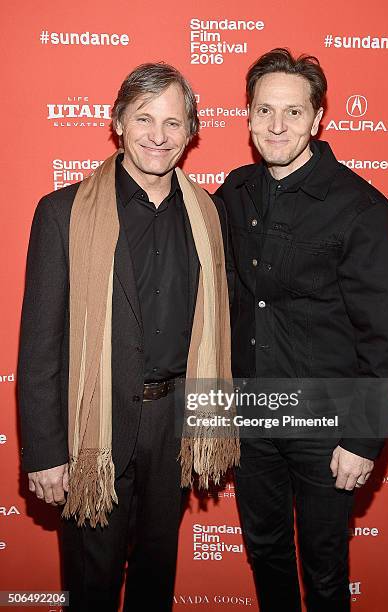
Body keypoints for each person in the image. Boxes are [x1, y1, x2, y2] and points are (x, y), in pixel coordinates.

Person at [18, 62, 238, 612]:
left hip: (174, 426)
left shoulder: (207, 216)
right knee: (91, 581)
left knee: (155, 576)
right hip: (93, 427)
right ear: (117, 121)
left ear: (191, 132)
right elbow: (40, 344)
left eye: (173, 122)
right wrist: (45, 453)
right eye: (143, 118)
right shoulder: (63, 213)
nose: (157, 136)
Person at [216, 48, 388, 611]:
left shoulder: (361, 207)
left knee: (324, 568)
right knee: (266, 552)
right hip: (251, 418)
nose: (277, 125)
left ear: (317, 118)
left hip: (325, 422)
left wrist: (362, 439)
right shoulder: (235, 191)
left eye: (293, 113)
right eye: (265, 110)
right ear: (247, 116)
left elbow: (381, 336)